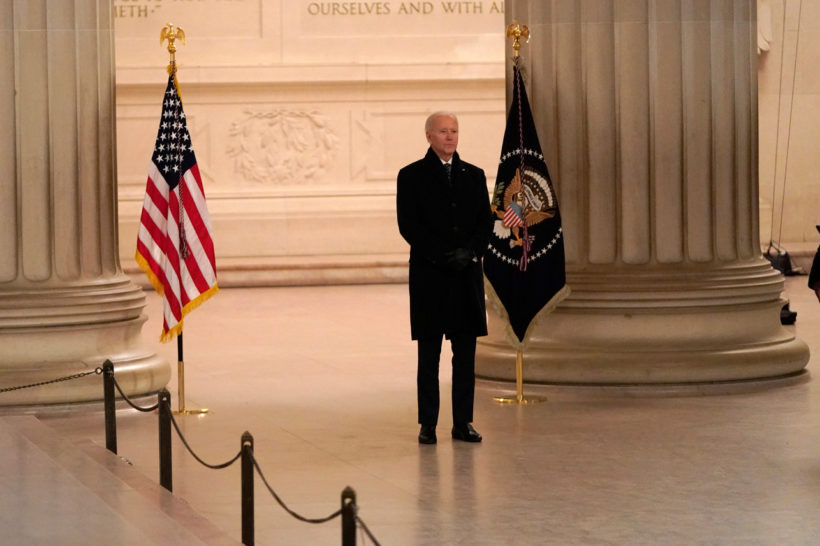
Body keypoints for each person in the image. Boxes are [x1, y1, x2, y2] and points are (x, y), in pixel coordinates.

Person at [396, 112, 492, 445]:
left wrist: (469, 252)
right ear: (429, 136)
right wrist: (441, 255)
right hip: (431, 276)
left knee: (465, 356)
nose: (450, 137)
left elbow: (485, 222)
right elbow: (409, 225)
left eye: (454, 131)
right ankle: (428, 423)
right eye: (443, 131)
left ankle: (463, 421)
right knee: (429, 355)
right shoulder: (410, 176)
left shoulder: (474, 175)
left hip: (466, 277)